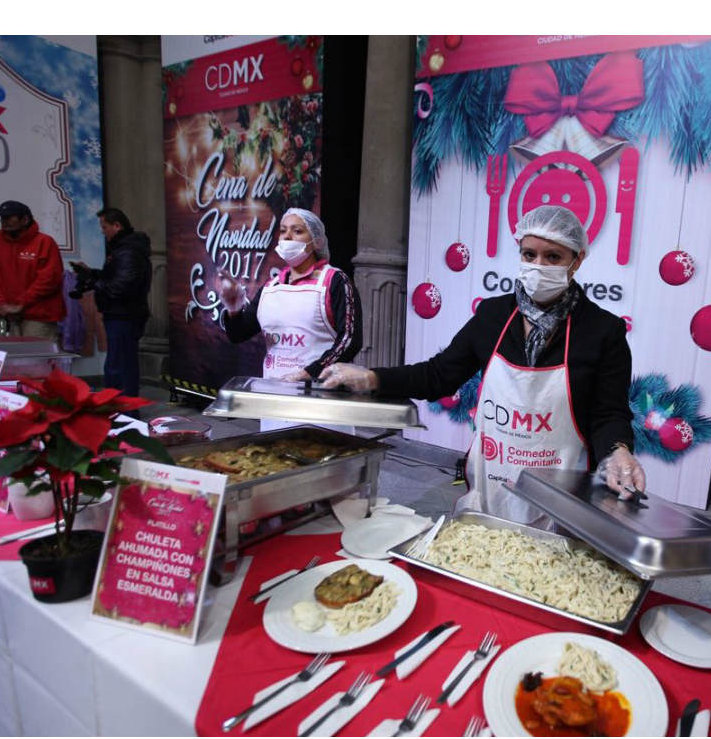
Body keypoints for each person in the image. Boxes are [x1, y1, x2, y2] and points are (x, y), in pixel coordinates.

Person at [317, 205, 646, 523]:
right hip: (492, 486)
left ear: (577, 261)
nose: (538, 265)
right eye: (529, 254)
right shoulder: (494, 315)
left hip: (563, 495)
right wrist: (372, 377)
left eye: (553, 257)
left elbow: (609, 413)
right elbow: (438, 375)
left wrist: (618, 451)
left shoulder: (603, 331)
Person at [218, 206, 362, 384]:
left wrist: (311, 372)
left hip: (320, 392)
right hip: (274, 390)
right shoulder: (271, 287)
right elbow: (238, 335)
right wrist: (234, 309)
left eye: (298, 231)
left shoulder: (335, 281)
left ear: (316, 241)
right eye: (283, 231)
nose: (287, 237)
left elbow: (350, 340)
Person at [70, 208, 152, 397]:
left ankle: (125, 410)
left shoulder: (128, 251)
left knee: (120, 365)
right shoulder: (123, 249)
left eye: (104, 227)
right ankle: (118, 407)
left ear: (117, 226)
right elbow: (114, 278)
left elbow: (120, 286)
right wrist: (91, 273)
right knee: (117, 363)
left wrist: (92, 282)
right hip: (119, 314)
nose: (102, 231)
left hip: (124, 315)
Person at [0, 200, 65, 340]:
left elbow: (49, 280)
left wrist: (21, 304)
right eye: (2, 217)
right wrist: (2, 304)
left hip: (38, 315)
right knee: (11, 360)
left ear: (25, 219)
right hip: (7, 314)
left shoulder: (44, 242)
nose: (3, 221)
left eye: (8, 217)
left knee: (36, 359)